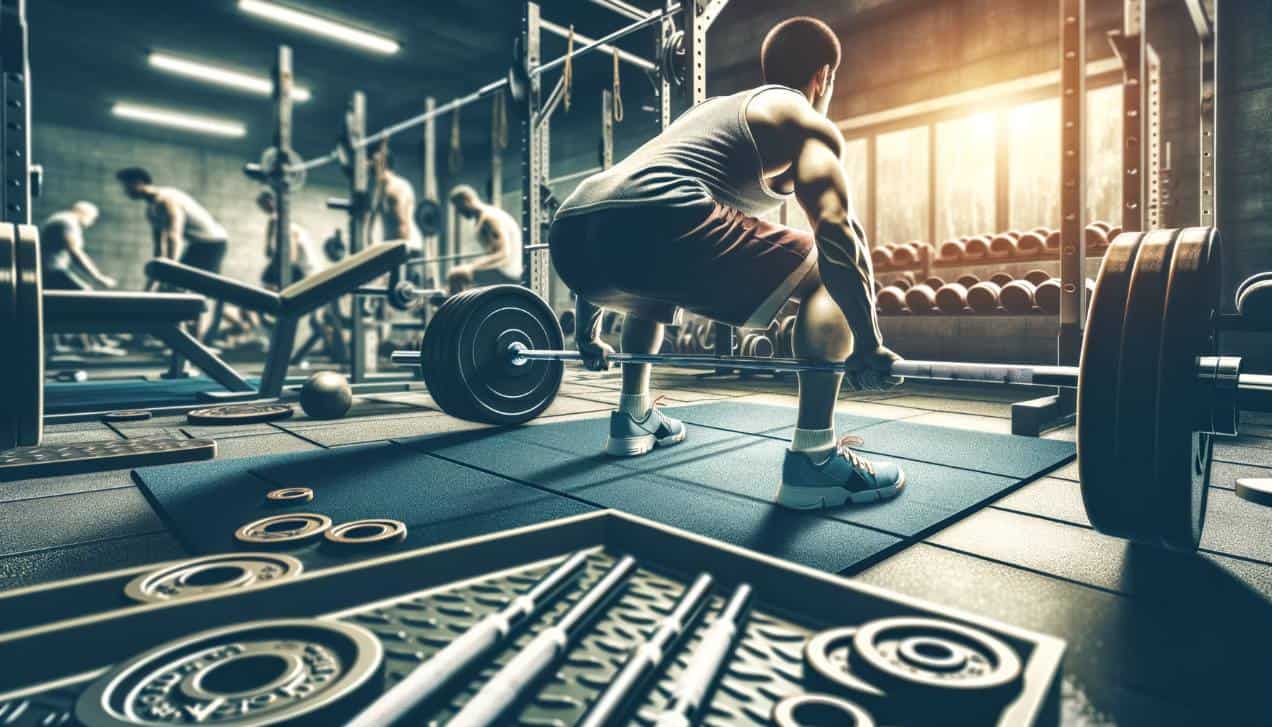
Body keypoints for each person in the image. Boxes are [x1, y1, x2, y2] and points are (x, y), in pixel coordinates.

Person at [548, 17, 905, 509]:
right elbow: (838, 230)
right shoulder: (803, 118)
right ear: (823, 77)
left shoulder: (710, 112)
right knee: (832, 271)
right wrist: (869, 343)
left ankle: (631, 416)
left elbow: (618, 214)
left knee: (654, 273)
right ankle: (816, 461)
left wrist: (586, 334)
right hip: (659, 216)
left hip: (572, 229)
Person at [116, 167, 230, 275]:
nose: (125, 192)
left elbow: (174, 237)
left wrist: (171, 272)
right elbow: (159, 247)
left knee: (193, 283)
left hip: (214, 242)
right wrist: (156, 276)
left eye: (126, 186)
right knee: (179, 281)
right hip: (196, 245)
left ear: (138, 182)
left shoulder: (167, 199)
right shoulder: (151, 210)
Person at [446, 185, 523, 294]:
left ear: (466, 200)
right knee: (460, 275)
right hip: (504, 269)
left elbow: (503, 253)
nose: (459, 212)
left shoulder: (488, 218)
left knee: (455, 275)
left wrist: (472, 267)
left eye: (459, 207)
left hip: (509, 273)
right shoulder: (483, 217)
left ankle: (456, 309)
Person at [39, 201, 115, 291]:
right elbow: (75, 252)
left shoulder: (63, 219)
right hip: (51, 270)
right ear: (84, 213)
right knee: (85, 295)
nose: (92, 222)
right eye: (92, 218)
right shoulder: (67, 222)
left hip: (49, 269)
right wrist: (97, 276)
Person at [256, 189, 319, 289]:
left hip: (304, 273)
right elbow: (270, 254)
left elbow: (291, 258)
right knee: (267, 279)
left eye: (262, 204)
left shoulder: (286, 227)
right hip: (306, 271)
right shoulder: (291, 225)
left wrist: (269, 235)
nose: (262, 209)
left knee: (266, 281)